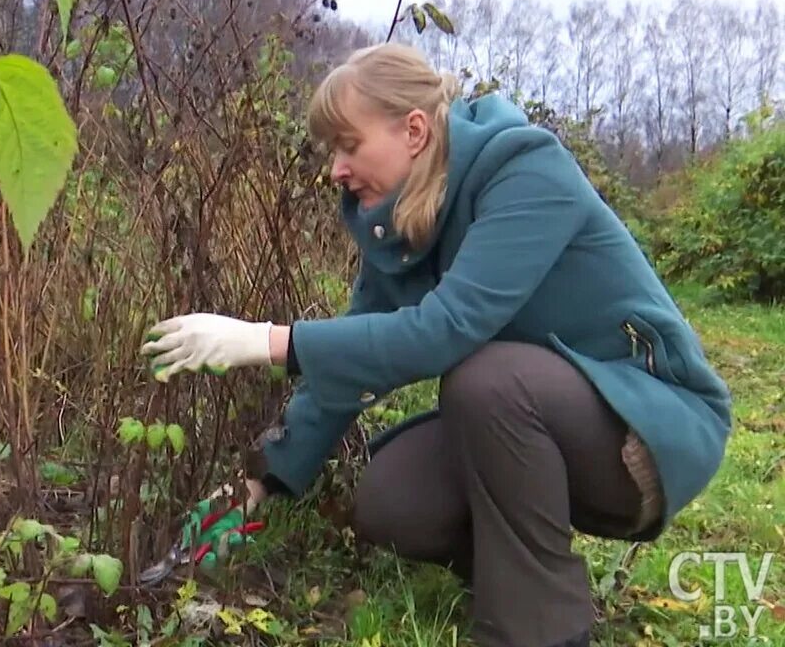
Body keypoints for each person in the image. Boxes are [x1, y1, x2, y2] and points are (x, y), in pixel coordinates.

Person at [140, 42, 732, 647]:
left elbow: (446, 329)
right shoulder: (401, 221)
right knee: (391, 499)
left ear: (414, 131)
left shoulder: (526, 170)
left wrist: (262, 340)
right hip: (542, 416)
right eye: (331, 152)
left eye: (349, 145)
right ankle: (516, 569)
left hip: (647, 430)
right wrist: (259, 481)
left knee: (485, 379)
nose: (335, 169)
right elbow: (354, 362)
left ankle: (537, 628)